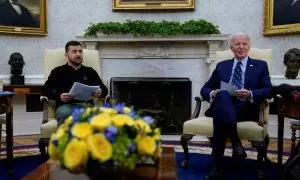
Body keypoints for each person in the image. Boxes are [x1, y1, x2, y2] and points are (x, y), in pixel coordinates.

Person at [200, 33, 272, 179]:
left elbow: (268, 89)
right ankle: (236, 143)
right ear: (231, 47)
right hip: (224, 105)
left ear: (249, 47)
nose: (241, 47)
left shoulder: (260, 65)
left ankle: (217, 166)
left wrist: (250, 93)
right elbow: (205, 89)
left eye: (244, 44)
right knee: (224, 95)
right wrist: (213, 93)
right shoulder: (222, 66)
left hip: (246, 109)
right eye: (237, 44)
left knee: (220, 117)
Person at [42, 41, 108, 125]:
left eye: (80, 51)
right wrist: (59, 96)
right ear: (66, 55)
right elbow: (45, 90)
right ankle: (65, 137)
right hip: (65, 106)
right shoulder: (58, 71)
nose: (78, 54)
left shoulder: (90, 71)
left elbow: (104, 89)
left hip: (86, 105)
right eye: (74, 51)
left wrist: (100, 92)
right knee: (64, 114)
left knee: (96, 114)